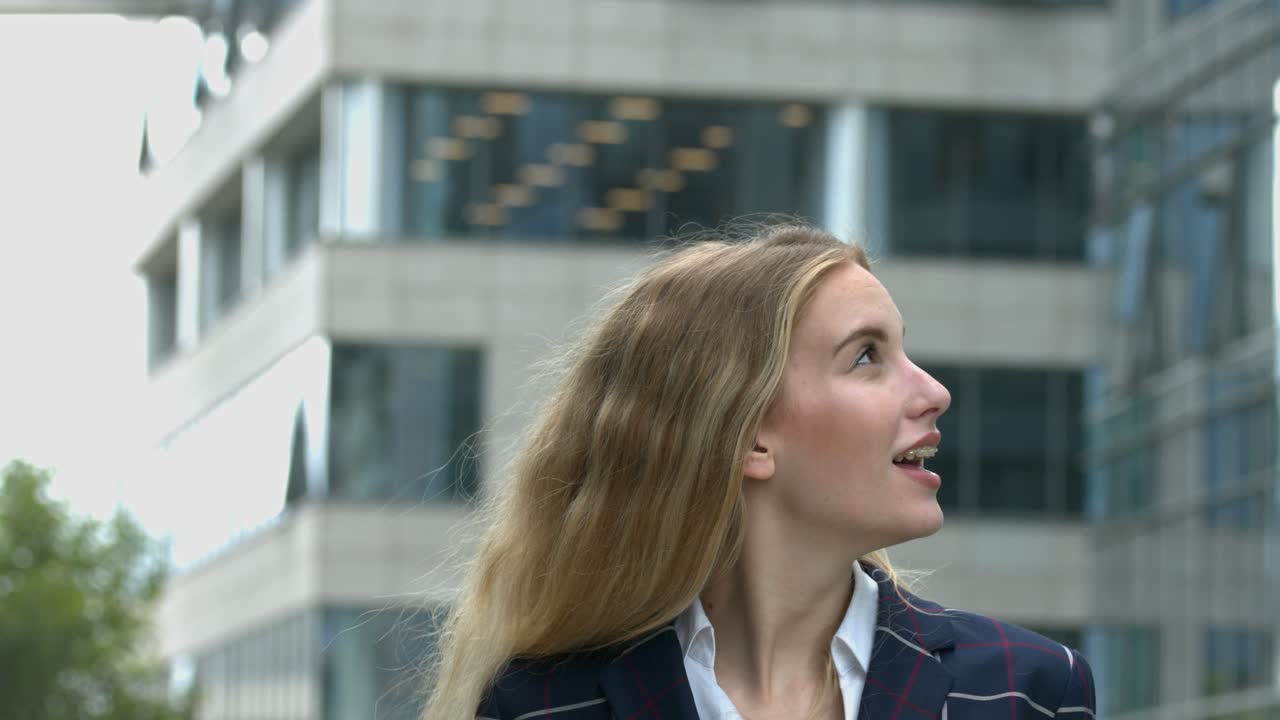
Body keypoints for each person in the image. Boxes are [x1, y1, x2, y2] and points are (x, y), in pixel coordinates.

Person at [423, 224, 1095, 720]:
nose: (934, 393)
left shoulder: (1030, 692)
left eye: (902, 351)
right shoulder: (540, 706)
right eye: (866, 357)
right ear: (749, 437)